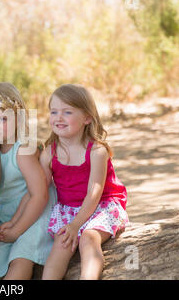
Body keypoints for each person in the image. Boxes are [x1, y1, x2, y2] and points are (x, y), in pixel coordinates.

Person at [0, 82, 55, 280]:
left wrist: (17, 230)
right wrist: (10, 226)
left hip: (37, 212)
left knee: (20, 260)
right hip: (8, 216)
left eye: (3, 119)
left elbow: (39, 195)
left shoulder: (22, 150)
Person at [40, 84, 129, 280]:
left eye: (67, 112)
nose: (58, 117)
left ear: (87, 118)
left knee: (89, 238)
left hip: (102, 205)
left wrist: (75, 225)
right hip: (69, 209)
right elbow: (40, 190)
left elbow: (94, 193)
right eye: (53, 111)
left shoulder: (97, 151)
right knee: (61, 244)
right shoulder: (49, 153)